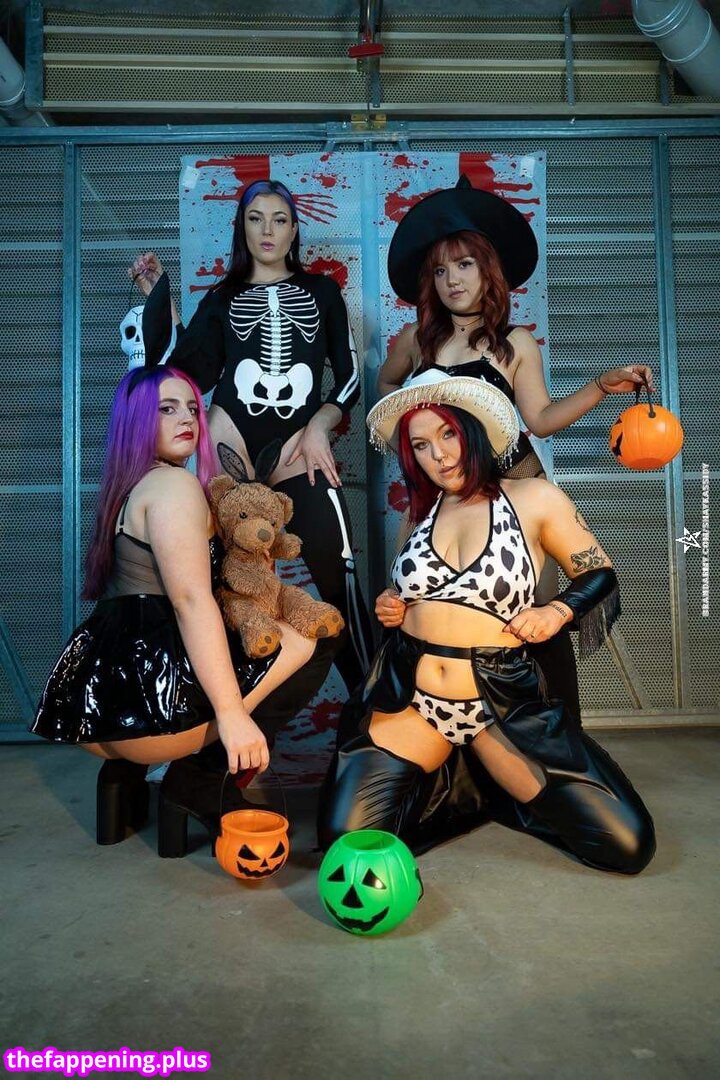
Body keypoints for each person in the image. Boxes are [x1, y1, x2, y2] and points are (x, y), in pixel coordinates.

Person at [318, 370, 655, 874]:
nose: (439, 455)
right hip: (410, 699)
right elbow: (408, 593)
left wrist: (556, 611)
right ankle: (462, 781)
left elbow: (600, 574)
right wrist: (392, 604)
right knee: (344, 843)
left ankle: (483, 778)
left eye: (448, 434)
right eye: (421, 446)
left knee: (628, 844)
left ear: (472, 430)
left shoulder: (532, 497)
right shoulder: (421, 513)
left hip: (498, 702)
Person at [377, 177, 655, 723]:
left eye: (464, 265)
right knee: (424, 606)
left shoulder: (516, 342)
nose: (453, 280)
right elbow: (386, 388)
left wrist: (600, 386)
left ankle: (557, 736)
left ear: (489, 270)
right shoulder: (415, 341)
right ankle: (448, 735)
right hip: (441, 492)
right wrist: (410, 429)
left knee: (535, 616)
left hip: (515, 486)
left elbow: (541, 420)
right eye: (440, 270)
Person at [31, 366, 316, 856]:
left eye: (191, 407)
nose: (187, 418)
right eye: (166, 409)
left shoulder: (129, 489)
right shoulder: (175, 488)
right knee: (310, 630)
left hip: (98, 717)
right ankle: (198, 780)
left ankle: (121, 779)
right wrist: (231, 715)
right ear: (136, 422)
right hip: (153, 718)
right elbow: (190, 602)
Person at [128, 179, 374, 705]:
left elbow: (351, 377)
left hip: (298, 448)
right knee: (212, 581)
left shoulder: (322, 292)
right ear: (242, 228)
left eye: (279, 219)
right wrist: (161, 305)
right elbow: (189, 372)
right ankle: (212, 713)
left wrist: (320, 425)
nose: (268, 229)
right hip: (229, 444)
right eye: (255, 218)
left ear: (294, 229)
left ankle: (371, 703)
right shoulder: (222, 299)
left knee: (339, 571)